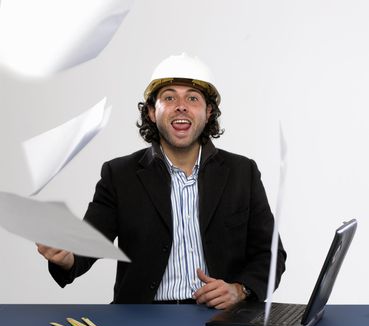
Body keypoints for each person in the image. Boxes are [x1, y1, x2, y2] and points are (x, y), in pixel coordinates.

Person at [37, 53, 286, 309]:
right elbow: (87, 245)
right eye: (169, 97)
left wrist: (239, 290)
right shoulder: (119, 175)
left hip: (222, 320)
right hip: (142, 320)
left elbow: (271, 254)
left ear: (209, 112)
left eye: (192, 98)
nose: (181, 105)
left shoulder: (242, 172)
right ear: (152, 112)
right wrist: (66, 257)